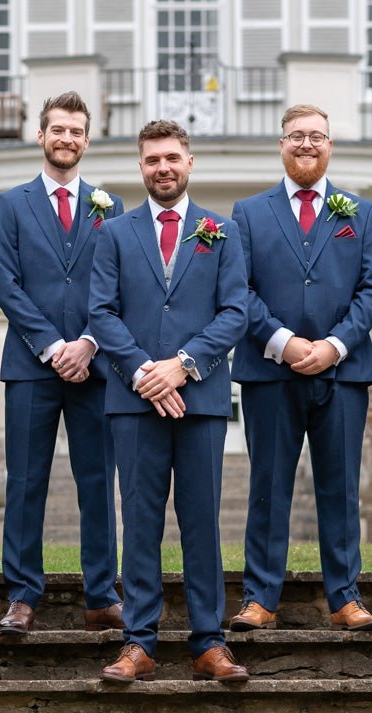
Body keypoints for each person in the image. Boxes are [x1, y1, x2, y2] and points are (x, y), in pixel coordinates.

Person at [89, 120, 249, 683]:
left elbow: (235, 311)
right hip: (134, 403)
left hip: (200, 400)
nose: (163, 168)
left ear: (189, 162)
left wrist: (181, 366)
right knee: (139, 522)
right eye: (153, 159)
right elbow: (101, 312)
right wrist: (143, 372)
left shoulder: (221, 231)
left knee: (202, 522)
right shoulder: (114, 233)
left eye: (172, 158)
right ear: (141, 166)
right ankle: (139, 642)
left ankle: (209, 642)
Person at [228, 104, 372, 633]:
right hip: (271, 372)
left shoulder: (361, 214)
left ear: (329, 146)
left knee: (340, 488)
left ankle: (345, 597)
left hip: (342, 373)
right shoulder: (249, 213)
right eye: (297, 136)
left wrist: (335, 346)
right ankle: (260, 599)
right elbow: (238, 289)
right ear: (282, 145)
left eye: (317, 136)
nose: (306, 144)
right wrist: (285, 342)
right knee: (268, 486)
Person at [0, 92, 124, 635]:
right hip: (31, 365)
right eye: (58, 129)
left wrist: (89, 342)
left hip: (96, 369)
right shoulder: (11, 204)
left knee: (98, 483)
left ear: (86, 140)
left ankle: (102, 595)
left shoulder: (109, 207)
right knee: (25, 481)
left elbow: (117, 285)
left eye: (75, 131)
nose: (66, 138)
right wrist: (52, 346)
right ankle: (22, 595)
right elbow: (6, 283)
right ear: (41, 135)